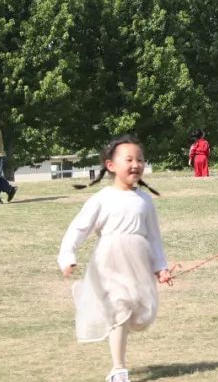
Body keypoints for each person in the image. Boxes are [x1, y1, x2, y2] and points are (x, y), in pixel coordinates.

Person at [59, 135, 169, 382]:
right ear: (111, 165)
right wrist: (67, 255)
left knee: (142, 315)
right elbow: (78, 229)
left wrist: (161, 267)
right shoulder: (101, 199)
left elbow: (154, 237)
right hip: (109, 262)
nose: (136, 165)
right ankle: (118, 370)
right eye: (129, 160)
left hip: (138, 264)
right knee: (120, 309)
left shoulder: (145, 200)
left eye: (140, 160)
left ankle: (88, 298)